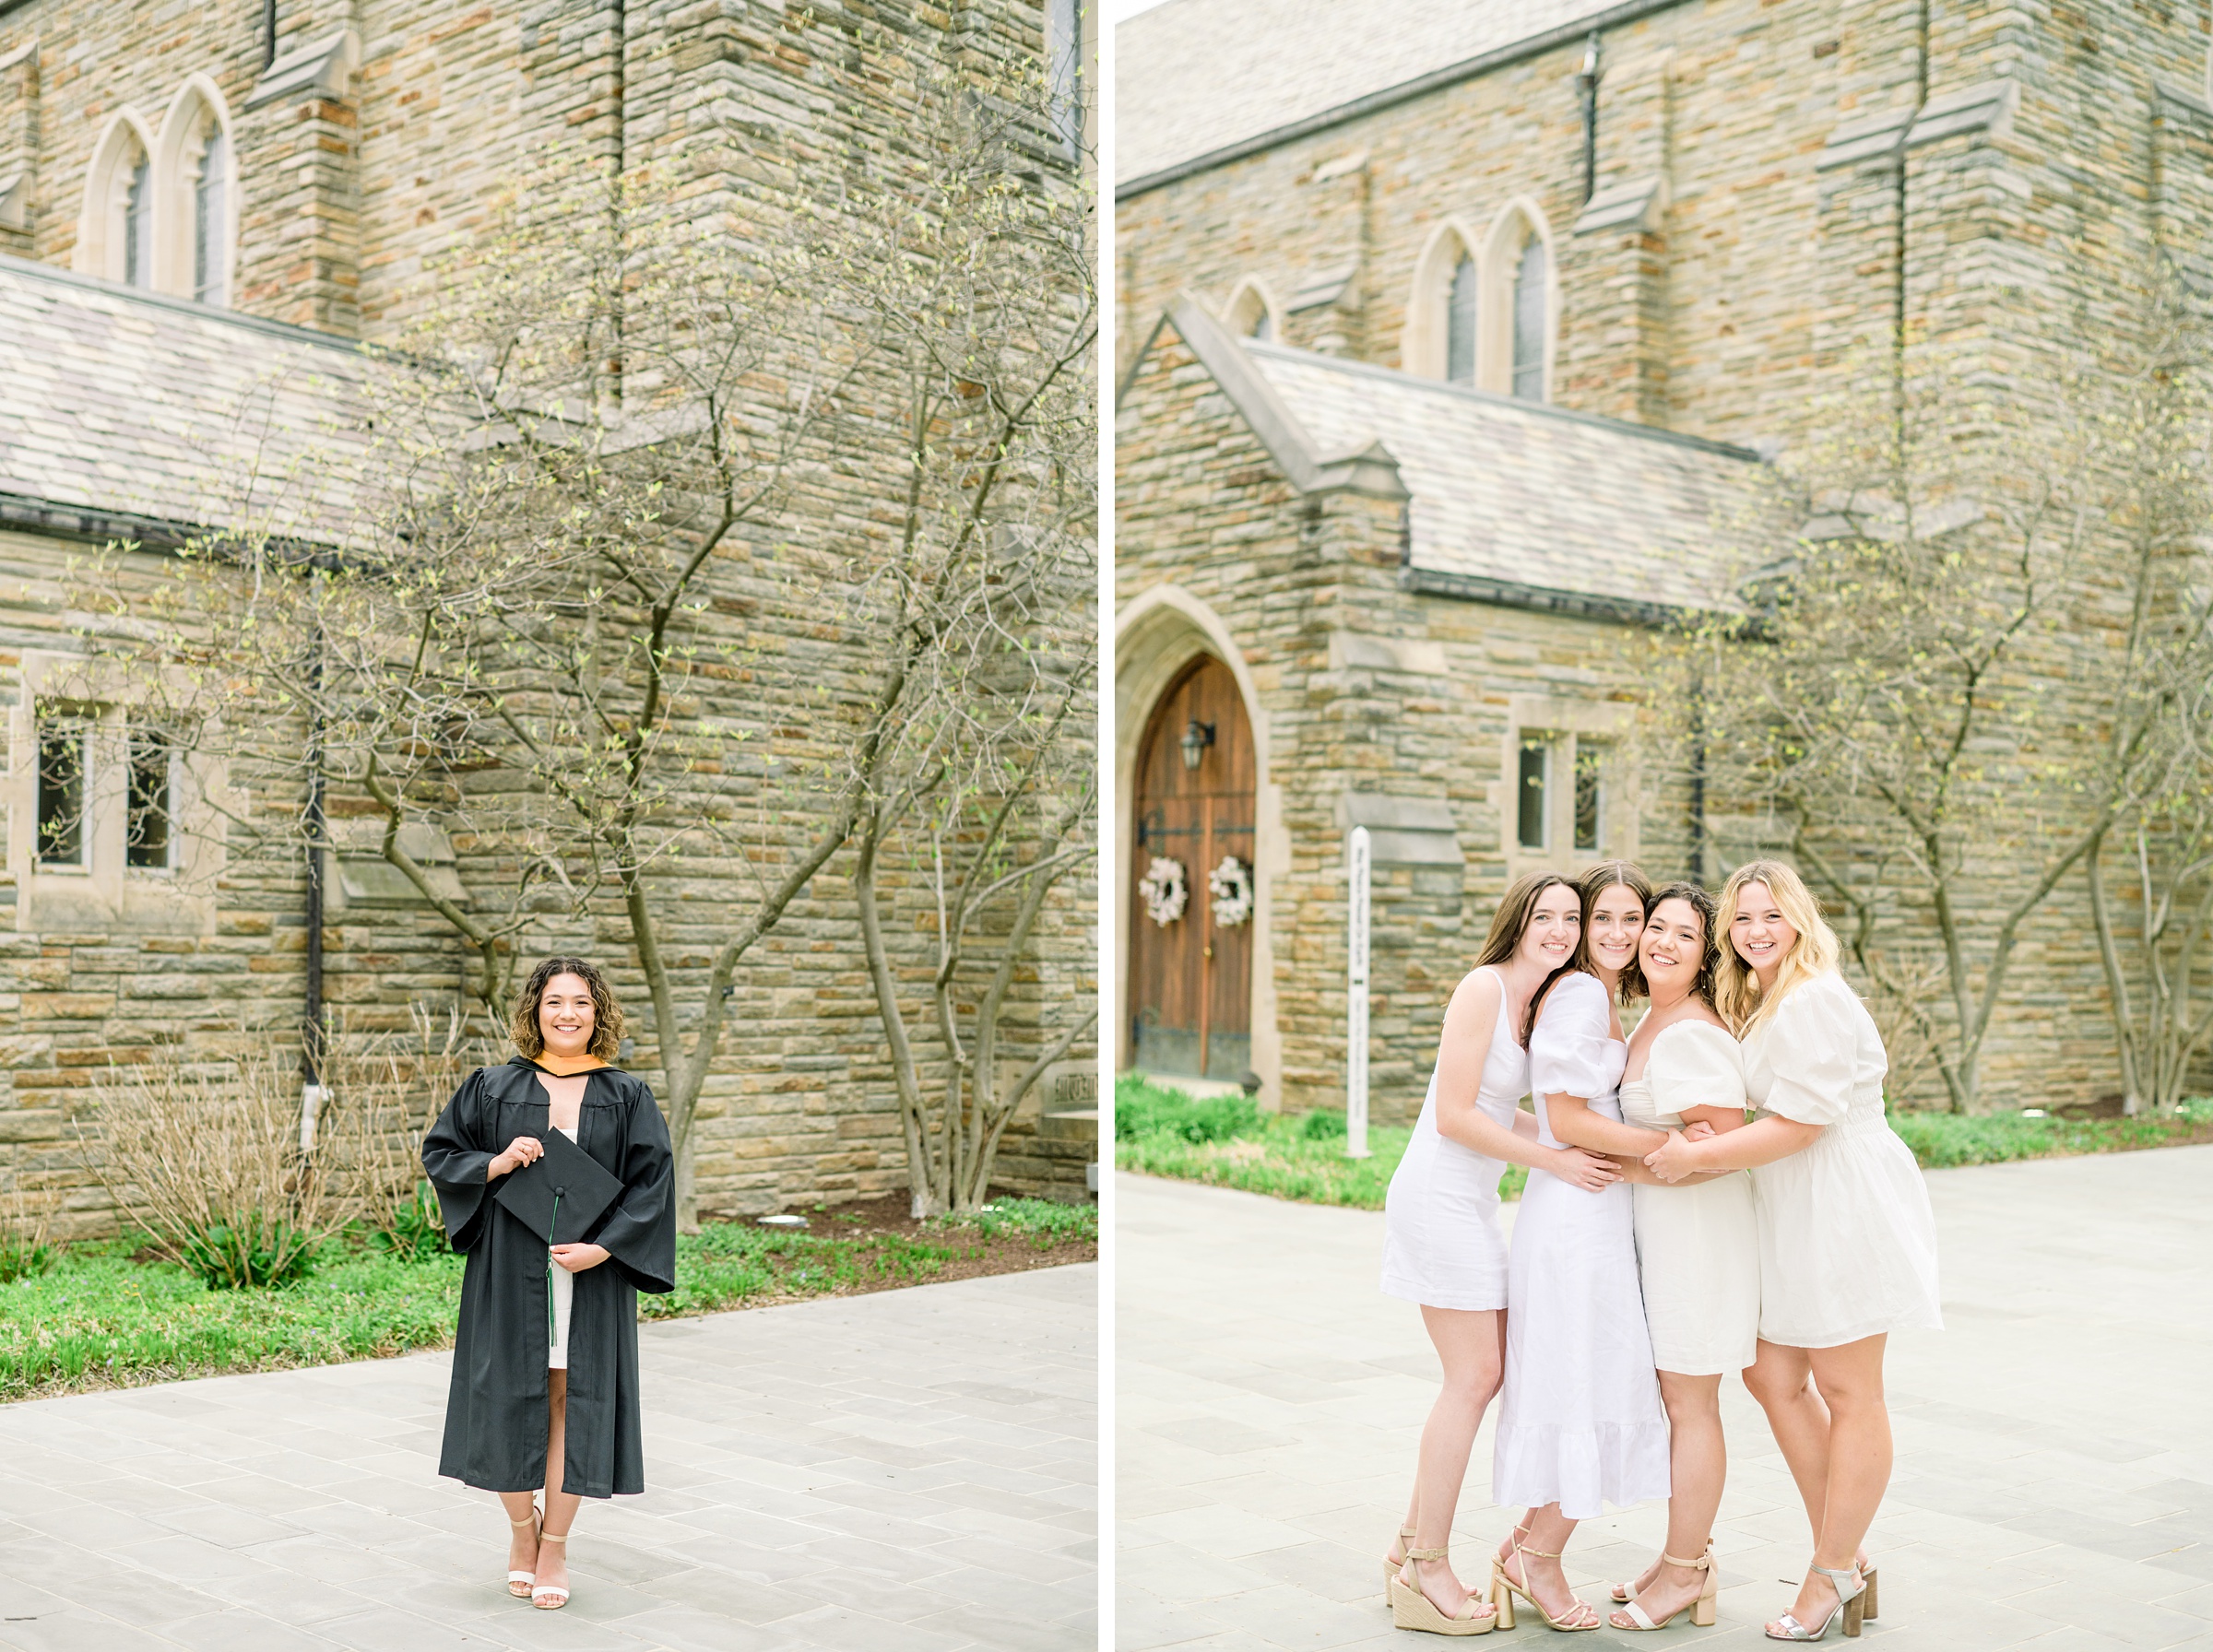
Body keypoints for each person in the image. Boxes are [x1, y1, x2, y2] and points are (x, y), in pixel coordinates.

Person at [1645, 862, 1941, 1641]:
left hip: (1838, 1200)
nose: (1755, 931)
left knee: (1850, 1391)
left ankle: (1833, 1568)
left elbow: (1806, 1123)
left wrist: (1697, 1156)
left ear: (1800, 920)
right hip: (1790, 1200)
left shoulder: (1812, 999)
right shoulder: (1766, 997)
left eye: (1771, 916)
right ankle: (1846, 1554)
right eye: (1741, 920)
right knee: (1772, 1372)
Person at [1379, 871, 1625, 1635]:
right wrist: (1557, 1162)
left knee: (1481, 1377)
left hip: (1473, 1203)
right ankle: (1428, 1567)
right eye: (1544, 915)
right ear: (1517, 921)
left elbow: (1503, 1113)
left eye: (1569, 918)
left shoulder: (1536, 1001)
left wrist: (1562, 1141)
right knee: (1475, 1376)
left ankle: (1402, 1550)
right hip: (1436, 1197)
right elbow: (1455, 1117)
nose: (1559, 929)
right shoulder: (1484, 989)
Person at [421, 957, 678, 1611]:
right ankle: (520, 1533)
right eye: (556, 1001)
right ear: (535, 1011)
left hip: (589, 1275)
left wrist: (606, 1248)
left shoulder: (626, 1095)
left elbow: (653, 1188)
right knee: (508, 1396)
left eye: (582, 1003)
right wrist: (497, 1161)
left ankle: (556, 1545)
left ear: (600, 1013)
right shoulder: (491, 1088)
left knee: (572, 1401)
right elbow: (441, 1153)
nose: (569, 1014)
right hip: (510, 1269)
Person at [1489, 861, 1671, 1633]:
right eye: (1605, 919)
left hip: (1587, 1209)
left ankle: (1523, 1547)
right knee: (1583, 1381)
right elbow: (1563, 1117)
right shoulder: (1582, 992)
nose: (1620, 934)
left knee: (1584, 1374)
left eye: (1635, 919)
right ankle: (1539, 1557)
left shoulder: (1593, 996)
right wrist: (1668, 1146)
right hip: (1574, 1216)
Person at [1604, 880, 1755, 1633]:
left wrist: (1614, 1166)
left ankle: (1688, 1571)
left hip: (1697, 1244)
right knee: (1678, 1405)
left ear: (1703, 958)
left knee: (1692, 1407)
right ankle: (1679, 1558)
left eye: (1683, 935)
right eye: (1654, 927)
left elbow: (1722, 1148)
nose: (1661, 941)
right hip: (1662, 1238)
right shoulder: (1650, 1025)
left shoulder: (1690, 1031)